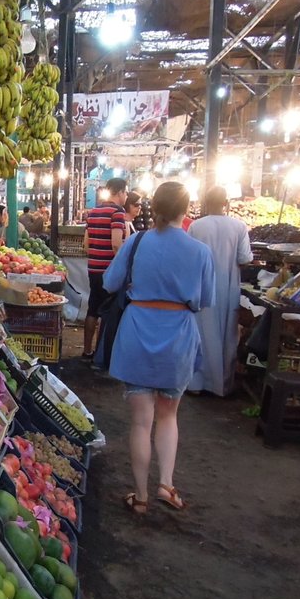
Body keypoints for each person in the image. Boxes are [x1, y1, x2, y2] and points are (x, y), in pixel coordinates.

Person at [102, 181, 215, 514]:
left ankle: (140, 497)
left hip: (138, 332)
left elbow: (110, 283)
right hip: (177, 338)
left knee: (140, 421)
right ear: (185, 208)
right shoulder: (200, 251)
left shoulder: (136, 242)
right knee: (168, 416)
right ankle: (166, 483)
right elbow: (205, 300)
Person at [187, 186, 253, 396]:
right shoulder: (238, 226)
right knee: (227, 335)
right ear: (226, 203)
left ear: (206, 203)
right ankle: (221, 386)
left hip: (201, 287)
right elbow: (245, 258)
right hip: (228, 288)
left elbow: (190, 256)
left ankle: (197, 384)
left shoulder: (197, 226)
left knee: (201, 334)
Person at [82, 178, 129, 359]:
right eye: (125, 193)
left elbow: (86, 245)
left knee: (93, 308)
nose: (126, 196)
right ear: (120, 192)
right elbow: (116, 245)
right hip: (109, 271)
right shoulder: (117, 213)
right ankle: (104, 355)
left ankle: (87, 350)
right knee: (110, 312)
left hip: (93, 268)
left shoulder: (93, 212)